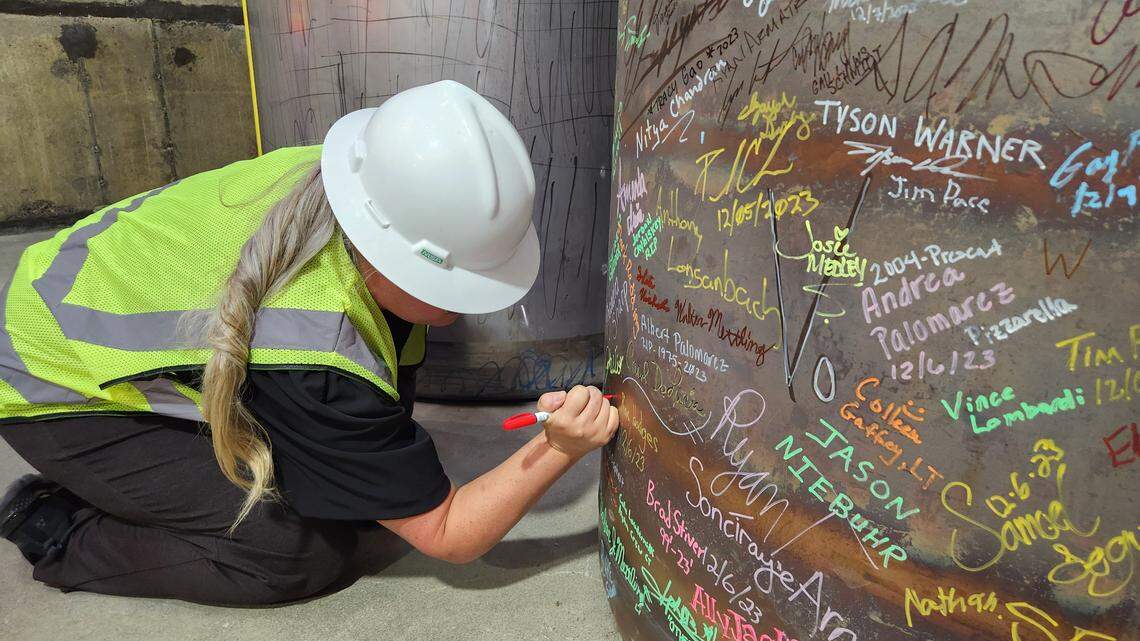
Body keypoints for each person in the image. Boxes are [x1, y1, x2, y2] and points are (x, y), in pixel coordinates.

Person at [0, 80, 618, 605]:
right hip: (47, 381)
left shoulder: (353, 181)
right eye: (452, 283)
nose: (464, 308)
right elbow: (451, 535)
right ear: (384, 259)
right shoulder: (314, 350)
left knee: (358, 504)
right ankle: (59, 528)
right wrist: (558, 449)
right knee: (292, 551)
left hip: (76, 295)